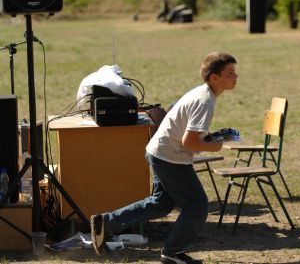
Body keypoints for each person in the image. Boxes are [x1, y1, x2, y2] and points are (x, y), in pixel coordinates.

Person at [90, 52, 238, 264]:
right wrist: (215, 146)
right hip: (170, 157)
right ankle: (172, 252)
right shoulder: (205, 100)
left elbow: (190, 135)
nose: (236, 77)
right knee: (197, 208)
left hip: (160, 152)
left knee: (161, 204)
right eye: (230, 73)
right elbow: (189, 142)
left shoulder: (204, 94)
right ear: (214, 78)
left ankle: (106, 223)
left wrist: (209, 137)